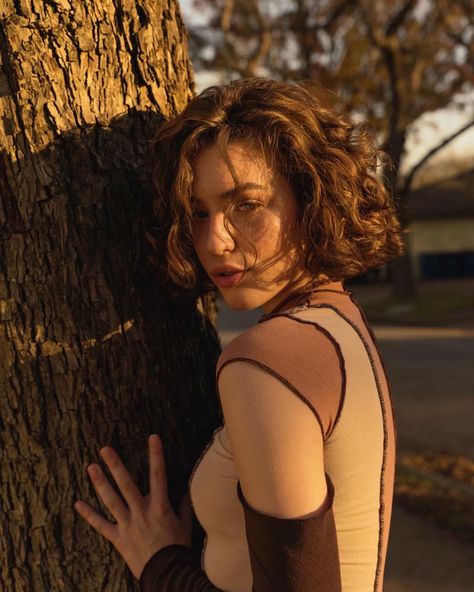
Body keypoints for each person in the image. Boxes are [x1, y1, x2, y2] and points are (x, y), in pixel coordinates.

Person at [74, 77, 404, 591]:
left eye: (245, 205)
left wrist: (160, 563)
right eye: (199, 213)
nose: (214, 240)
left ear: (310, 197)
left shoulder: (267, 359)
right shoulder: (339, 326)